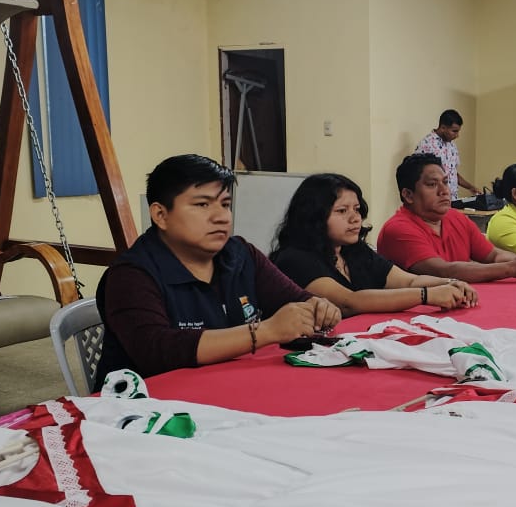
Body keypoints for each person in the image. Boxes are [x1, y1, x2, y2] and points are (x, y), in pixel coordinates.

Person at [95, 154, 341, 385]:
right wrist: (264, 332)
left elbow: (297, 300)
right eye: (202, 204)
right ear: (160, 215)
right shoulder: (130, 275)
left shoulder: (241, 254)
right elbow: (157, 351)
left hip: (228, 386)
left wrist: (318, 308)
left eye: (225, 204)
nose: (221, 217)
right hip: (150, 405)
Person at [270, 173, 477, 316]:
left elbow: (409, 281)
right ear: (313, 216)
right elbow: (349, 302)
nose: (355, 218)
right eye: (342, 211)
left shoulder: (353, 250)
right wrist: (427, 295)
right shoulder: (295, 258)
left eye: (357, 209)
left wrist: (449, 283)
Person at [377, 154, 516, 282]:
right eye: (432, 184)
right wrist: (512, 268)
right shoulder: (398, 229)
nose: (444, 191)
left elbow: (493, 255)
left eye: (445, 182)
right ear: (408, 195)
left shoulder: (455, 217)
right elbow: (444, 272)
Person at [413, 109, 479, 200]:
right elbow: (419, 176)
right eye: (454, 131)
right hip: (435, 201)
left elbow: (453, 173)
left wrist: (470, 187)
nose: (457, 135)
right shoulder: (427, 145)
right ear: (443, 128)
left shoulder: (452, 146)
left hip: (452, 200)